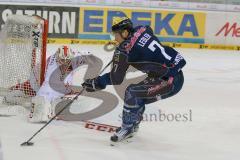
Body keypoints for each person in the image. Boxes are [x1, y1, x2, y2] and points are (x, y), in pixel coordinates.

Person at [82, 17, 186, 143]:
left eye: (116, 35)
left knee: (132, 93)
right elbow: (146, 36)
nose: (114, 39)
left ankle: (127, 128)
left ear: (125, 33)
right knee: (137, 93)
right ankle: (133, 124)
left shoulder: (123, 51)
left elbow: (116, 78)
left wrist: (96, 83)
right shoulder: (143, 29)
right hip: (173, 73)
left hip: (170, 81)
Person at [27, 45, 101, 123]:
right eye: (62, 60)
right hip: (37, 82)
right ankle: (52, 106)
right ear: (57, 58)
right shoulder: (52, 68)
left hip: (61, 86)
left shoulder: (75, 56)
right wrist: (41, 110)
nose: (65, 63)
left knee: (87, 96)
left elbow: (91, 57)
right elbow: (45, 91)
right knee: (42, 105)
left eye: (68, 60)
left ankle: (55, 104)